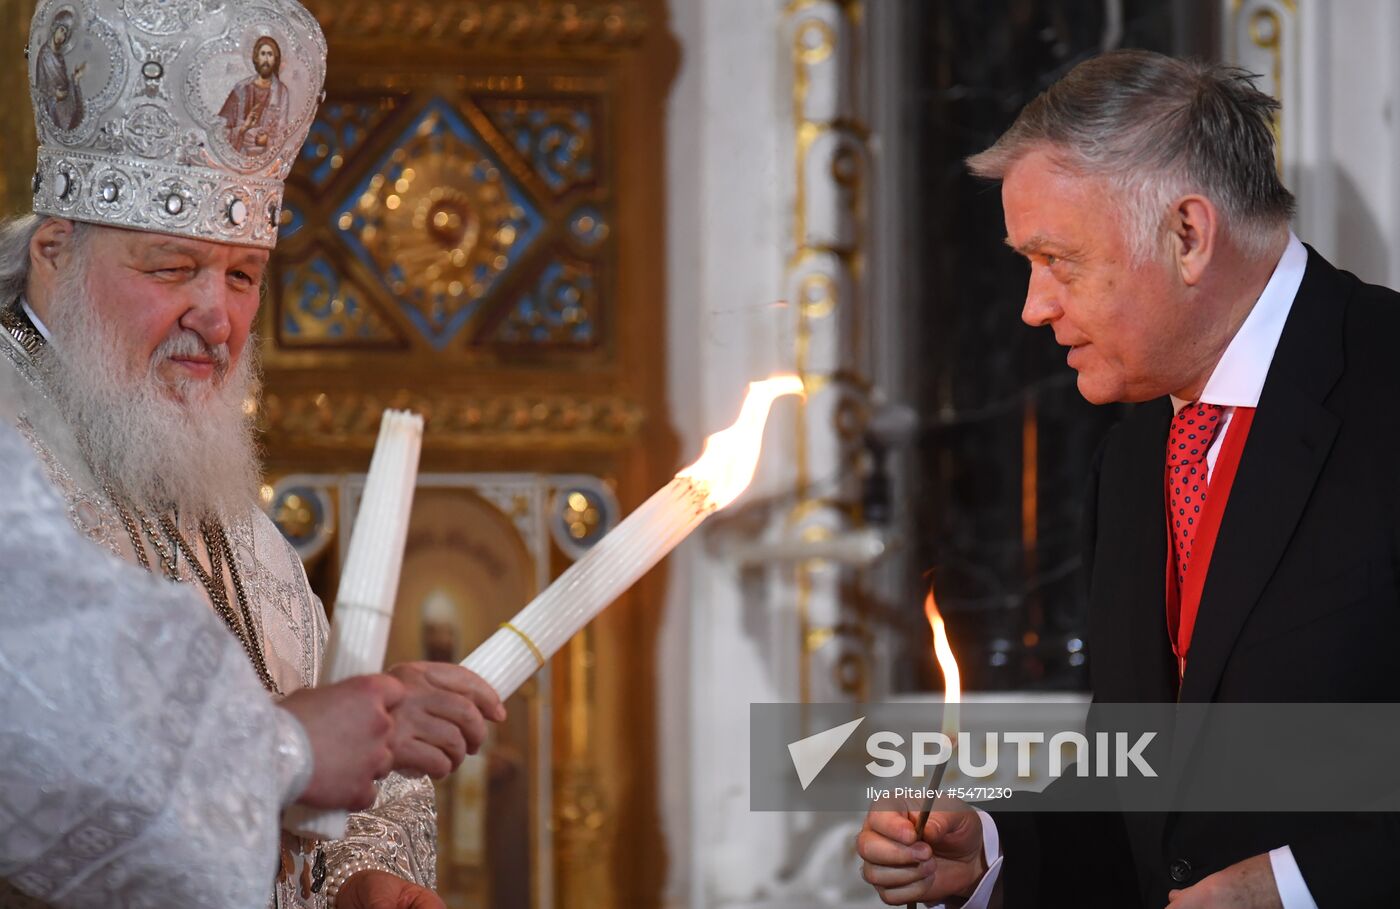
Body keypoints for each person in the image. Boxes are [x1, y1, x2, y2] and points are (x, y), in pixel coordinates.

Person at [858, 49, 1400, 907]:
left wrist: (1296, 887)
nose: (1033, 306)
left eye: (1058, 261)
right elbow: (1147, 794)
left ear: (1188, 235)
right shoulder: (1135, 456)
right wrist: (993, 850)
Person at [6, 1, 506, 906]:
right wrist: (287, 748)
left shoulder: (213, 496)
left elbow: (339, 731)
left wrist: (368, 873)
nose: (218, 316)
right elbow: (41, 763)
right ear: (55, 251)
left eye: (242, 275)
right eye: (173, 268)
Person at [0, 415, 411, 908]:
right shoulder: (21, 490)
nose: (217, 332)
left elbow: (358, 775)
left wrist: (357, 875)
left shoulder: (251, 537)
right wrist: (288, 751)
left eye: (245, 327)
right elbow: (58, 776)